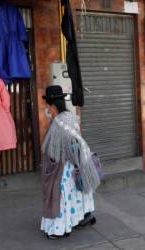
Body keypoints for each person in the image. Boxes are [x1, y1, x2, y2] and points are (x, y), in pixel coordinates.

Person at [40, 85, 100, 239]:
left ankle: (60, 229)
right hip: (78, 163)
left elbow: (55, 149)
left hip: (66, 167)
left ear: (52, 105)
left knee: (61, 196)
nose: (47, 109)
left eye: (48, 105)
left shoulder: (58, 123)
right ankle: (83, 217)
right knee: (79, 193)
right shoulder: (69, 116)